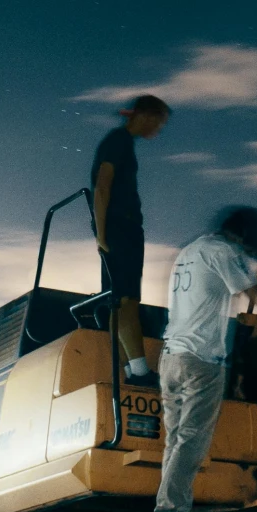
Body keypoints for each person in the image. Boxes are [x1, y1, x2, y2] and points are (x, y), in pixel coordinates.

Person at [150, 205, 257, 512]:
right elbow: (255, 292)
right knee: (192, 442)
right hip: (201, 361)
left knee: (176, 442)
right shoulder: (222, 251)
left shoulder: (191, 251)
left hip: (171, 357)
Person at [91, 93, 170, 385]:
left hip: (116, 228)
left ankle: (128, 370)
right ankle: (139, 370)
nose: (158, 130)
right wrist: (102, 234)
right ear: (146, 116)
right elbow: (102, 186)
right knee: (127, 299)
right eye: (158, 122)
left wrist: (101, 234)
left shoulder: (120, 143)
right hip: (121, 228)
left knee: (116, 300)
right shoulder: (119, 141)